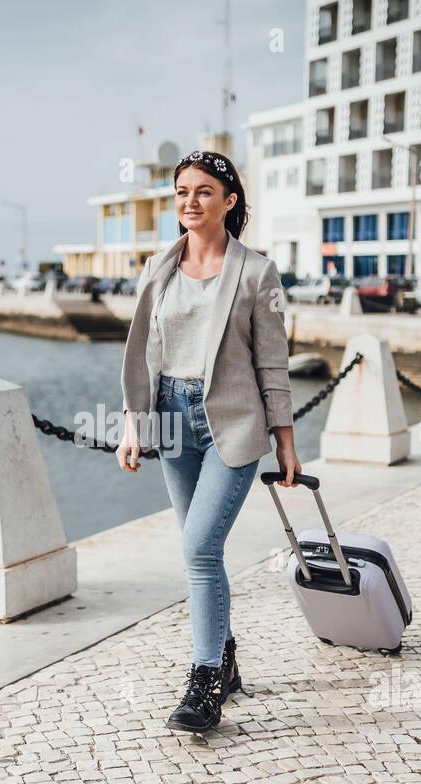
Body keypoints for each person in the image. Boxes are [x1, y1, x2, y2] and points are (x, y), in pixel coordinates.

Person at [117, 149, 301, 734]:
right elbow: (144, 353)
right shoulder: (158, 268)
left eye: (202, 191)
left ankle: (205, 682)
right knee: (203, 552)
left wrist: (286, 442)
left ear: (230, 200)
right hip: (172, 417)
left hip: (232, 421)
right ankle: (225, 657)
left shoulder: (256, 273)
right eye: (180, 193)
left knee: (198, 548)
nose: (189, 202)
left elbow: (273, 365)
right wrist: (132, 423)